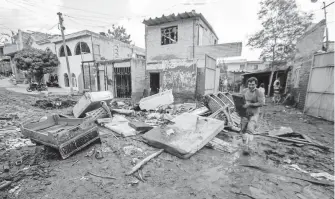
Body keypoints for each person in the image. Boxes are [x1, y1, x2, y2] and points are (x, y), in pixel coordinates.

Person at [241, 77, 265, 145]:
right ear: (247, 84)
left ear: (256, 85)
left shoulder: (259, 92)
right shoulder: (244, 91)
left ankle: (247, 146)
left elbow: (261, 103)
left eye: (253, 84)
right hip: (245, 113)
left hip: (254, 113)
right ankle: (244, 143)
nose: (251, 86)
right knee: (243, 129)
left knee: (250, 129)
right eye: (249, 84)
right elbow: (241, 100)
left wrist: (249, 104)